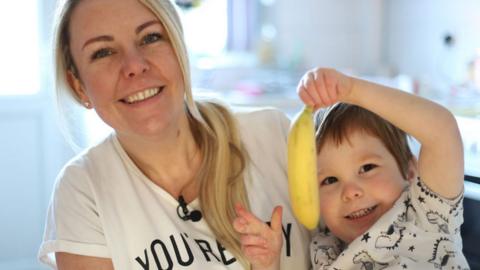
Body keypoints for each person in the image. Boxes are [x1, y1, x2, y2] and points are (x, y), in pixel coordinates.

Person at [37, 0, 312, 269]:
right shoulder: (83, 191)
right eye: (103, 52)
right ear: (79, 86)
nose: (134, 65)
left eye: (150, 37)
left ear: (179, 48)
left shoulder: (273, 135)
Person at [233, 68, 470, 269]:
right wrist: (270, 263)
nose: (350, 191)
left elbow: (442, 132)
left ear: (409, 171)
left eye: (367, 168)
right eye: (329, 180)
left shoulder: (426, 213)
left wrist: (351, 90)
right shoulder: (323, 248)